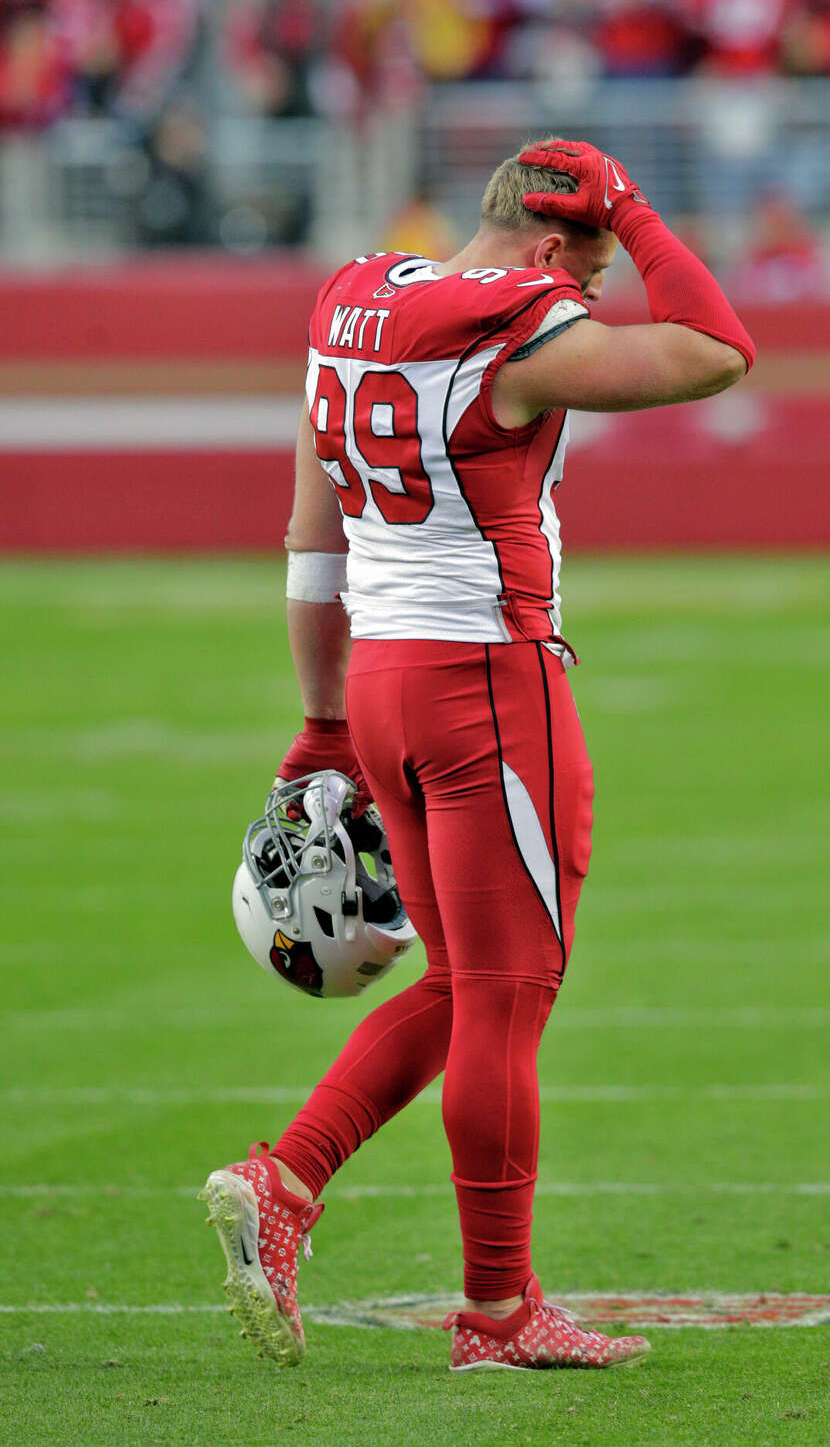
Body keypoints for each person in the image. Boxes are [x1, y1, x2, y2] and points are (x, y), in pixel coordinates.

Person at [200, 139, 754, 1373]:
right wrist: (642, 216)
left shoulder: (353, 297)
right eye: (595, 269)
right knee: (510, 996)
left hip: (388, 685)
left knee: (461, 983)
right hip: (492, 684)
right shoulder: (520, 321)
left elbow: (310, 540)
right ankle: (500, 1310)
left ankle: (284, 1180)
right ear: (552, 248)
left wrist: (322, 715)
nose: (602, 295)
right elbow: (718, 350)